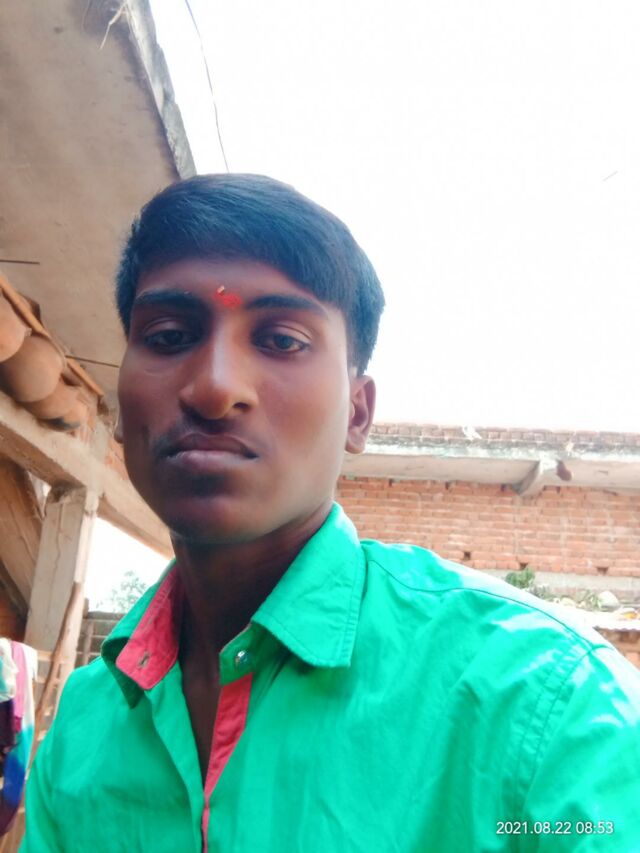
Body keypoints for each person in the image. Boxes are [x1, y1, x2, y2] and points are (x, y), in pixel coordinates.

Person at [22, 175, 640, 852]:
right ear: (119, 404)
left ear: (358, 412)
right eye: (169, 336)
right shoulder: (83, 727)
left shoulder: (547, 705)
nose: (215, 386)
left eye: (282, 340)